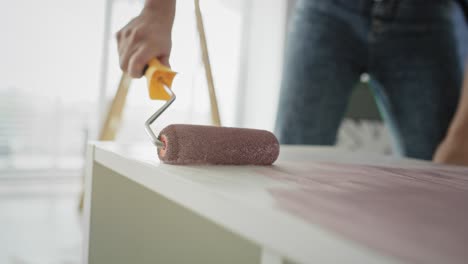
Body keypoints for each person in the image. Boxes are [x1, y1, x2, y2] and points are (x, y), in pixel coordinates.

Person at [116, 0, 468, 166]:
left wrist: (462, 137)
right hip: (326, 11)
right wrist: (158, 11)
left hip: (429, 18)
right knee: (291, 167)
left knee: (447, 178)